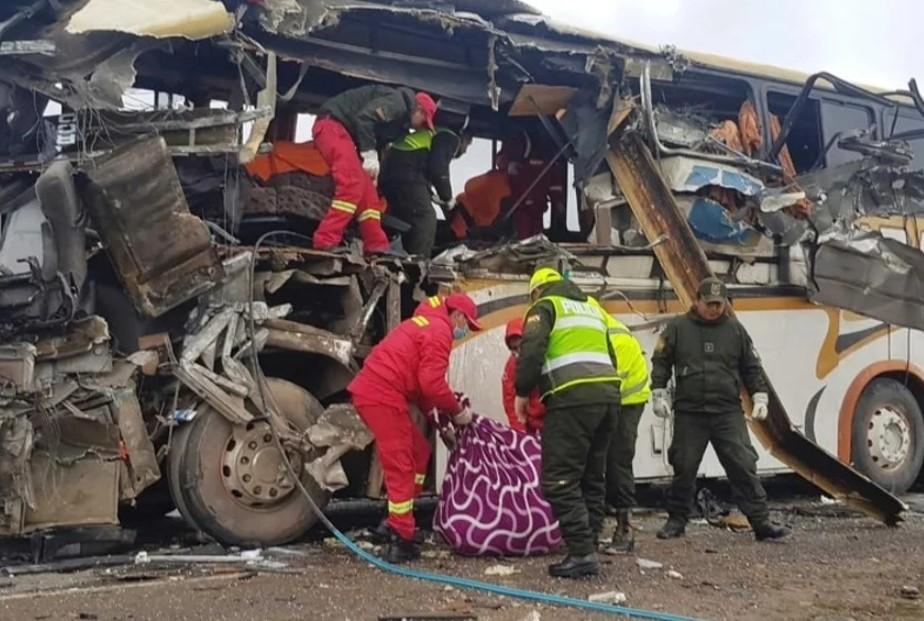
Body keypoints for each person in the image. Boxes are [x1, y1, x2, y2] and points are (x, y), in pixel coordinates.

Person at [650, 276, 791, 542]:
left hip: (727, 411)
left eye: (719, 303)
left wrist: (760, 395)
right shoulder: (677, 328)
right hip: (690, 411)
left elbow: (751, 366)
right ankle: (676, 521)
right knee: (684, 466)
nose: (714, 309)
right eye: (709, 303)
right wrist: (658, 392)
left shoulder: (735, 331)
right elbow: (661, 361)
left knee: (743, 464)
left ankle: (761, 522)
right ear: (697, 301)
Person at [348, 293, 482, 562]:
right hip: (380, 395)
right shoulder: (439, 332)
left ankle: (400, 518)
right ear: (457, 316)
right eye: (467, 324)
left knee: (419, 452)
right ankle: (402, 538)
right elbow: (432, 384)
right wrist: (457, 412)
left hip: (378, 392)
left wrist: (438, 421)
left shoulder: (425, 325)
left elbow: (423, 390)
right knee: (401, 463)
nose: (464, 330)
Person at [515, 267, 620, 578]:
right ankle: (590, 539)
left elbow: (532, 351)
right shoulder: (591, 307)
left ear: (536, 291)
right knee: (592, 473)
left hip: (572, 399)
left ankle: (582, 552)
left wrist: (522, 391)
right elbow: (610, 354)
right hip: (609, 398)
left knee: (559, 479)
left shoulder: (545, 306)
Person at [311, 85, 437, 256]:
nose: (421, 127)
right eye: (423, 122)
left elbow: (376, 139)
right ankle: (325, 240)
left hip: (344, 134)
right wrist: (369, 156)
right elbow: (364, 119)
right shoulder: (397, 103)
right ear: (419, 111)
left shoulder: (399, 123)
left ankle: (377, 246)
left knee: (369, 194)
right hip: (331, 126)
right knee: (352, 183)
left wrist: (374, 167)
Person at [586, 298, 651, 554]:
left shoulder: (616, 338)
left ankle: (625, 527)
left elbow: (612, 384)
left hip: (627, 401)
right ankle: (595, 526)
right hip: (609, 399)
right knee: (598, 460)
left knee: (617, 460)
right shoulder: (594, 333)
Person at [379, 125, 471, 257]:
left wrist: (431, 194)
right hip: (405, 174)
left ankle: (400, 255)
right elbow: (439, 170)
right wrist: (447, 197)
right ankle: (419, 261)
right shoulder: (450, 137)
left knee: (406, 219)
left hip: (393, 175)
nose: (466, 150)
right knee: (425, 218)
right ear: (463, 138)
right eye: (468, 144)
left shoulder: (434, 134)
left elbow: (423, 165)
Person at [496, 130, 566, 240]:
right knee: (522, 244)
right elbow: (501, 160)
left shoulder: (549, 158)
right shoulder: (517, 139)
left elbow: (554, 183)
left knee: (535, 244)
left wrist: (558, 202)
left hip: (537, 211)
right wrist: (508, 165)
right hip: (519, 211)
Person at [501, 317, 545, 433]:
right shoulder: (511, 366)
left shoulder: (546, 356)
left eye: (521, 346)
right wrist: (520, 432)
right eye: (514, 348)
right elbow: (509, 400)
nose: (518, 351)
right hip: (531, 423)